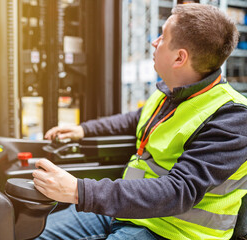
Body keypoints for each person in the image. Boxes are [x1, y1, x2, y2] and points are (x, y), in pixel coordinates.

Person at [32, 3, 247, 240]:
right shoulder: (172, 92)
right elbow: (136, 119)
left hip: (172, 231)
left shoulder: (232, 118)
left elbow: (179, 191)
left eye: (162, 37)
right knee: (36, 234)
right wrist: (83, 130)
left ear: (179, 57)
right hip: (129, 212)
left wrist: (79, 191)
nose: (154, 42)